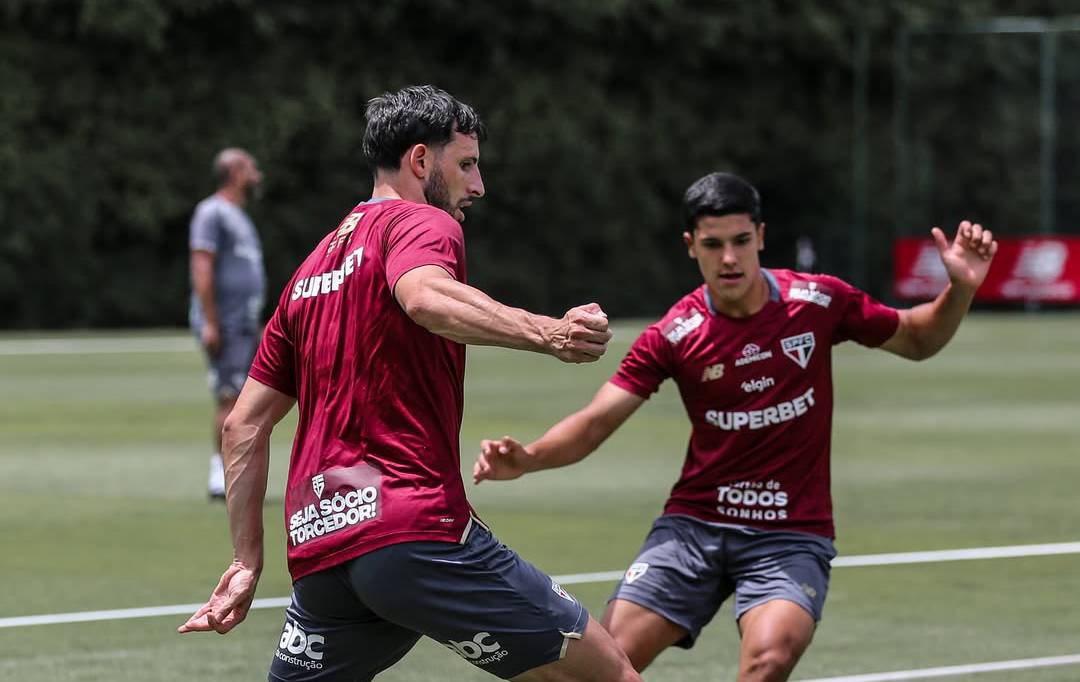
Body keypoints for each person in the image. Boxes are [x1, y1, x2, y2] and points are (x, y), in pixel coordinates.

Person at [179, 85, 641, 682]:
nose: (478, 186)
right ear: (421, 161)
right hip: (414, 532)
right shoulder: (421, 222)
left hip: (320, 553)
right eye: (467, 164)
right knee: (610, 677)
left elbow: (244, 425)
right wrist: (547, 333)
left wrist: (246, 561)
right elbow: (423, 296)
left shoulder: (309, 270)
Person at [473, 172, 997, 682]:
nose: (729, 258)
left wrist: (961, 289)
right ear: (690, 245)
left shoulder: (818, 301)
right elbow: (594, 422)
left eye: (742, 241)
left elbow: (917, 339)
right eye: (713, 243)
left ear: (761, 237)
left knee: (768, 661)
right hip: (693, 528)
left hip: (790, 534)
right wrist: (531, 457)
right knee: (607, 664)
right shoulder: (675, 333)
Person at [189, 147, 266, 500]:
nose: (256, 172)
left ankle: (237, 471)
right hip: (226, 323)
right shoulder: (212, 212)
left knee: (244, 398)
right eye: (250, 167)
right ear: (234, 173)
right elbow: (202, 266)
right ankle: (219, 476)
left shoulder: (239, 215)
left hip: (244, 322)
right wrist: (210, 321)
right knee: (230, 397)